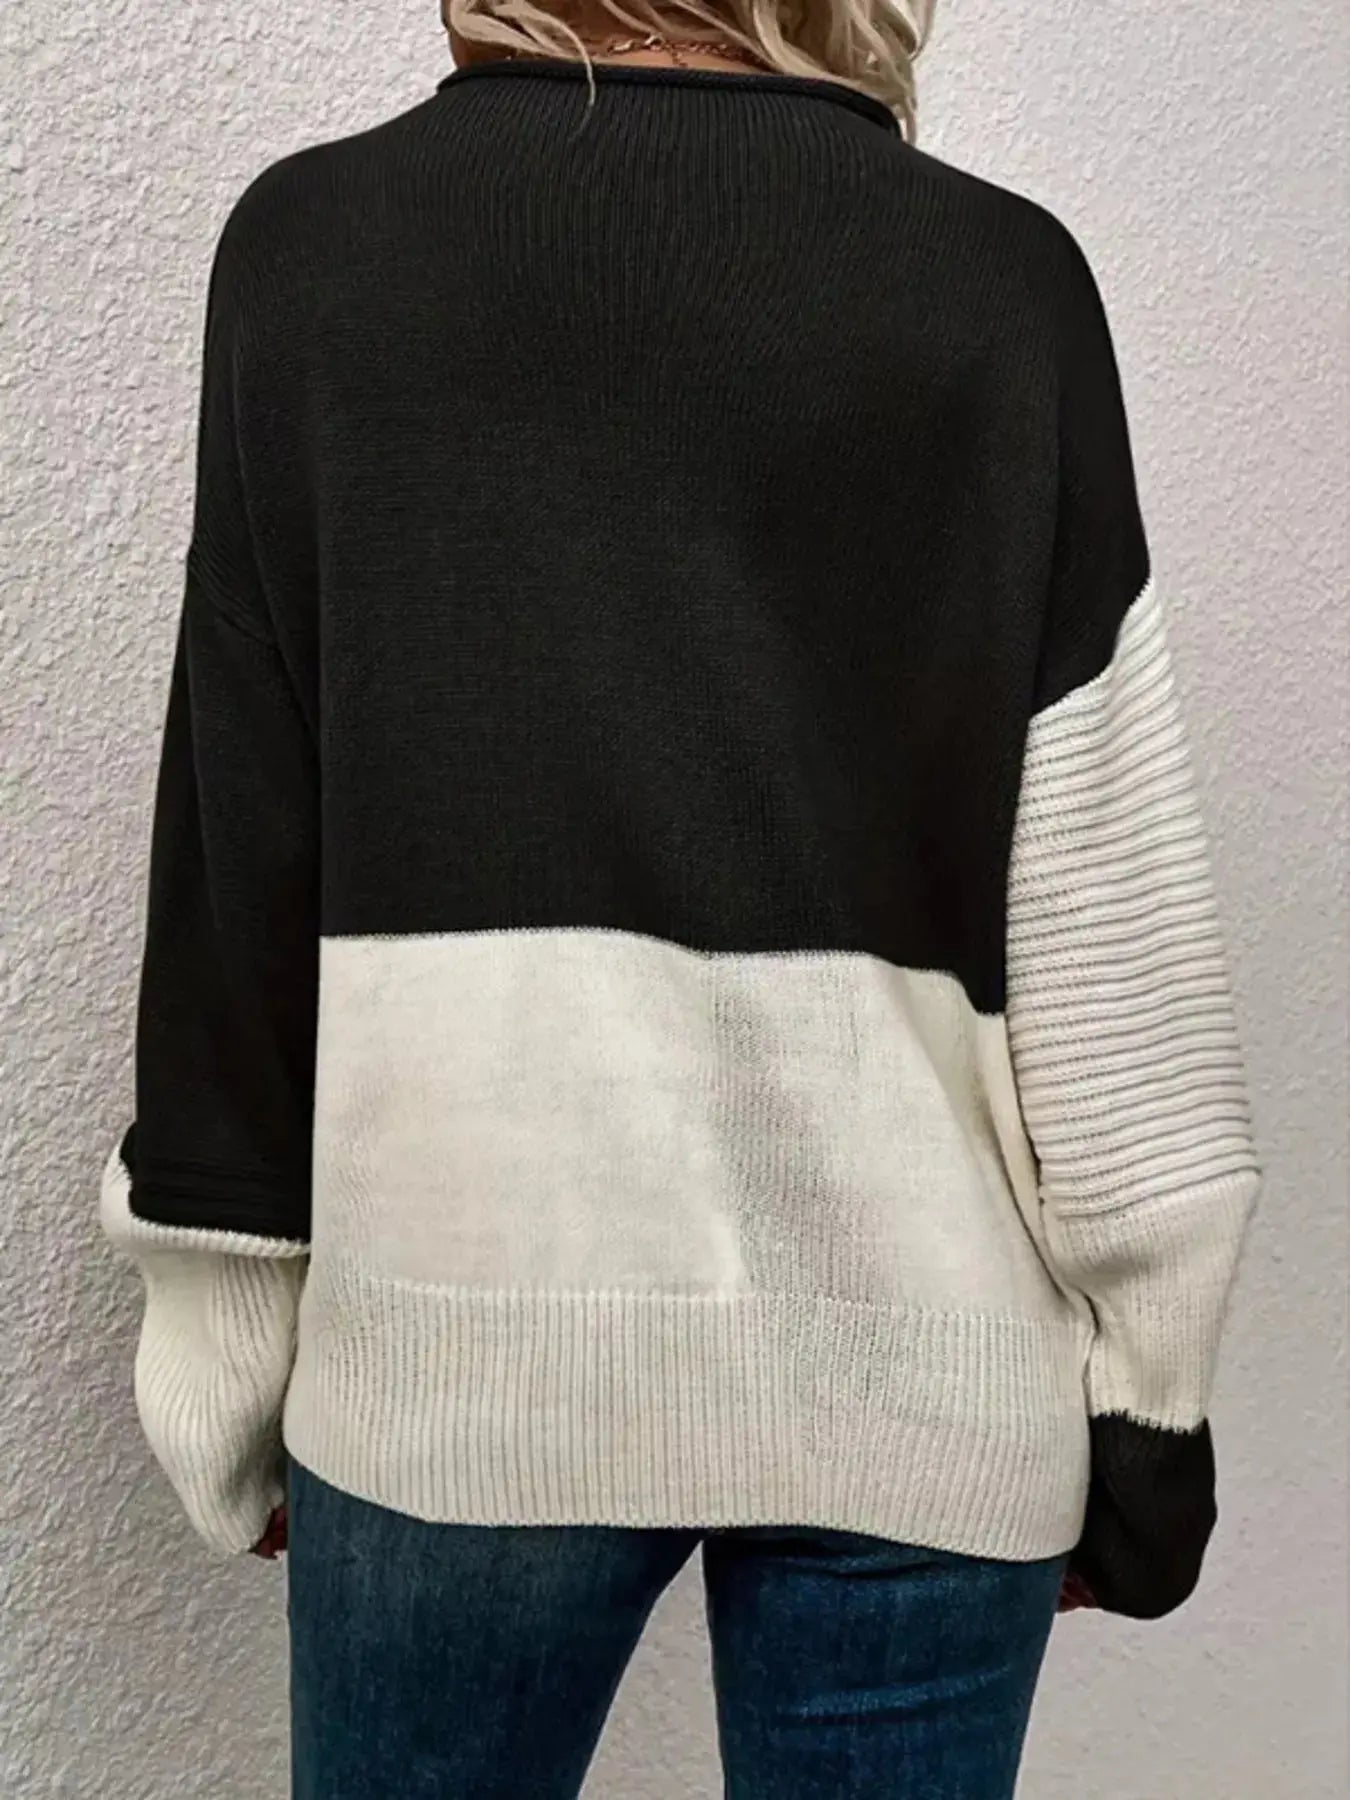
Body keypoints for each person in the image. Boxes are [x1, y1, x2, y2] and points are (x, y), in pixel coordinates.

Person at [98, 1, 1263, 1794]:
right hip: (928, 1357)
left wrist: (225, 1346)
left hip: (456, 1348)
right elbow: (1104, 880)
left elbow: (240, 843)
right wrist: (1150, 1399)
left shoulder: (313, 253)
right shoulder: (998, 280)